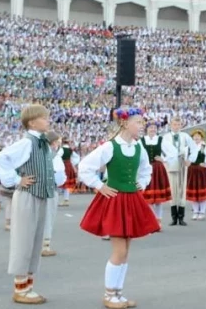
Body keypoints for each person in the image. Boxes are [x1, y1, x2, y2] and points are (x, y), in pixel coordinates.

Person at [78, 107, 160, 309]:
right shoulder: (109, 146)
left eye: (142, 122)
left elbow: (145, 170)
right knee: (119, 250)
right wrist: (99, 186)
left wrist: (142, 183)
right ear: (125, 123)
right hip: (115, 200)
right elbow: (85, 167)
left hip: (131, 199)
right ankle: (109, 294)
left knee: (126, 250)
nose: (142, 126)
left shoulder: (138, 147)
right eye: (138, 122)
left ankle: (118, 293)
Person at [0, 104, 66, 304]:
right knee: (23, 240)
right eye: (44, 118)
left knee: (35, 241)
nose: (48, 120)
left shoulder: (42, 143)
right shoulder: (27, 142)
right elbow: (2, 158)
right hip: (27, 195)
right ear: (33, 122)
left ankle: (28, 285)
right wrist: (16, 180)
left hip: (40, 194)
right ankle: (20, 287)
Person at [163, 117, 195, 226]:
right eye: (174, 124)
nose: (176, 126)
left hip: (182, 162)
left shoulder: (185, 136)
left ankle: (181, 217)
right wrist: (165, 160)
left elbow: (193, 148)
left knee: (182, 189)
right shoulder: (166, 137)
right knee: (172, 189)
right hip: (171, 163)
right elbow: (162, 151)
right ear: (171, 125)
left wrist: (190, 160)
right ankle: (174, 217)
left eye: (178, 124)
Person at [140, 121, 172, 225]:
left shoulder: (160, 140)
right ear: (146, 129)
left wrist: (163, 159)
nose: (153, 129)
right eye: (150, 128)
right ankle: (151, 220)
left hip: (157, 169)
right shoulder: (141, 141)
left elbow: (172, 152)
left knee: (158, 199)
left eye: (154, 128)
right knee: (147, 198)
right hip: (146, 169)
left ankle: (158, 220)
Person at [186, 129, 206, 221]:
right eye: (194, 136)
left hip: (201, 171)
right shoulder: (188, 147)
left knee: (202, 193)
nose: (196, 138)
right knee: (194, 192)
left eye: (198, 136)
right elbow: (184, 157)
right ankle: (195, 211)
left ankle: (202, 212)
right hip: (192, 171)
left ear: (201, 137)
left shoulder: (204, 147)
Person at [57, 136, 80, 207]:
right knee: (66, 185)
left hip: (63, 166)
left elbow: (57, 157)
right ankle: (66, 200)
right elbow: (77, 158)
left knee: (58, 183)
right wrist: (72, 163)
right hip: (69, 165)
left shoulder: (61, 149)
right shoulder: (70, 150)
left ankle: (56, 200)